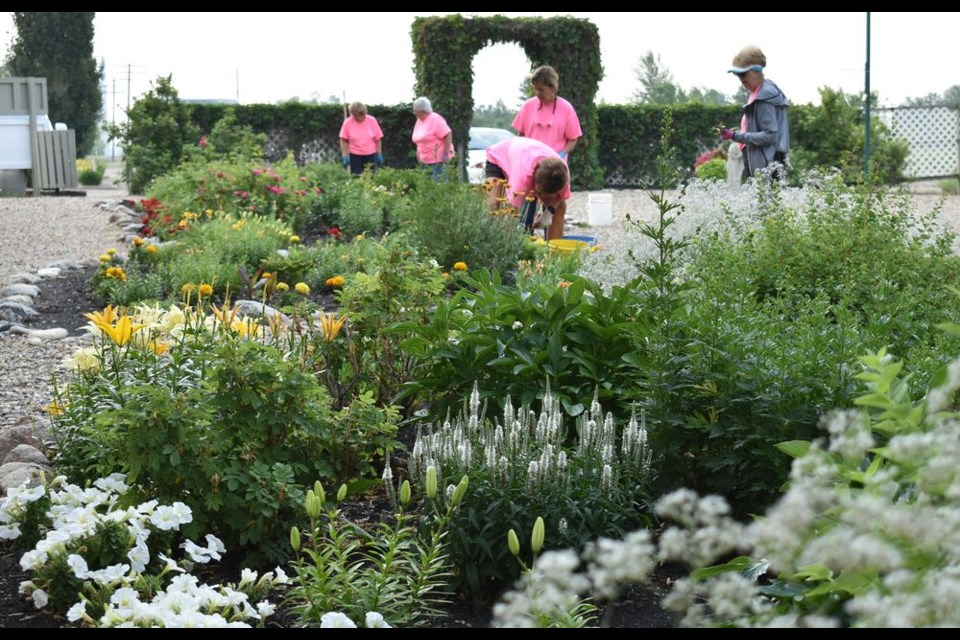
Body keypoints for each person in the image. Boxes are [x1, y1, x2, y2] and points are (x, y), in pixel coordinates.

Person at [512, 65, 582, 229]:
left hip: (554, 165)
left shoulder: (566, 108)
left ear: (552, 87)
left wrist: (562, 153)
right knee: (526, 207)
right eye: (535, 89)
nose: (537, 93)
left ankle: (551, 246)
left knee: (554, 206)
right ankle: (525, 242)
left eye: (541, 89)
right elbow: (520, 136)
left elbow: (573, 139)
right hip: (530, 165)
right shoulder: (528, 106)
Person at [718, 45, 790, 184]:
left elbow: (770, 135)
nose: (741, 78)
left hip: (767, 160)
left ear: (758, 71)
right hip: (763, 159)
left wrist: (735, 136)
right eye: (738, 75)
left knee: (766, 202)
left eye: (744, 74)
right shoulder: (759, 93)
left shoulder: (764, 97)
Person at [484, 136, 570, 241]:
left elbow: (560, 198)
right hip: (499, 156)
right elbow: (511, 212)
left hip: (527, 153)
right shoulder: (522, 177)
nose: (542, 197)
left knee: (560, 207)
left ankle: (555, 252)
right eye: (540, 193)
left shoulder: (563, 174)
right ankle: (491, 244)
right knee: (494, 205)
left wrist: (548, 213)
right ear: (534, 180)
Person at [411, 96, 454, 180]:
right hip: (425, 160)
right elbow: (419, 140)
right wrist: (418, 154)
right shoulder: (419, 121)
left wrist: (445, 153)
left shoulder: (435, 119)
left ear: (422, 111)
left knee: (437, 186)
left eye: (415, 111)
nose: (414, 113)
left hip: (438, 161)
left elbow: (448, 134)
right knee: (427, 187)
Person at [339, 102, 384, 177]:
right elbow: (343, 140)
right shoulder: (348, 122)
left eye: (363, 115)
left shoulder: (372, 120)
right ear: (353, 115)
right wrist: (345, 155)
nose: (361, 118)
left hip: (370, 154)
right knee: (356, 177)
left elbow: (378, 138)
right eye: (357, 116)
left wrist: (379, 153)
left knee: (370, 177)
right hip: (355, 155)